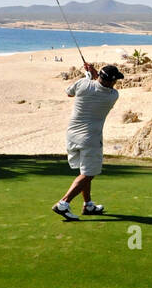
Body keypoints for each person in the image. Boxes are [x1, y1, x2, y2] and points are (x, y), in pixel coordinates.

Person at [52, 62, 125, 221]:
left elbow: (70, 93)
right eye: (115, 80)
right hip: (90, 138)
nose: (115, 83)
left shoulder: (83, 84)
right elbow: (100, 85)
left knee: (84, 171)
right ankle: (63, 203)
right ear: (112, 81)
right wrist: (93, 74)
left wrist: (89, 76)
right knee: (88, 173)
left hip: (72, 135)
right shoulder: (112, 96)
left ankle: (88, 205)